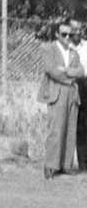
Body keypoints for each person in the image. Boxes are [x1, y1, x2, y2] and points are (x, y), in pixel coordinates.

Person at [39, 17, 85, 178]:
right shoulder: (49, 49)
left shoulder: (73, 53)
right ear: (57, 34)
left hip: (72, 94)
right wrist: (70, 77)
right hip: (57, 92)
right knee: (56, 130)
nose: (67, 37)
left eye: (70, 34)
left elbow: (81, 72)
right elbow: (52, 70)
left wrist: (66, 71)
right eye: (64, 34)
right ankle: (51, 166)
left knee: (70, 130)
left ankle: (66, 165)